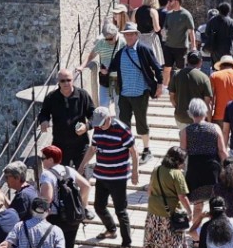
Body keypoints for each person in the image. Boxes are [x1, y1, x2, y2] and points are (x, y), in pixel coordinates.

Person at [39, 145, 91, 248]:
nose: (42, 162)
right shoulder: (69, 170)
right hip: (72, 219)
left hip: (55, 219)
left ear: (50, 159)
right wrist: (80, 206)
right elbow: (86, 186)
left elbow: (46, 199)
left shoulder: (47, 175)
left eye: (43, 158)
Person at [108, 26, 164, 162]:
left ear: (136, 35)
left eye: (131, 34)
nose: (129, 37)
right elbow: (112, 67)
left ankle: (146, 150)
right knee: (124, 123)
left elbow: (157, 68)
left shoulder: (144, 50)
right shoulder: (121, 52)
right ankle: (128, 149)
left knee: (141, 123)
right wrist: (105, 70)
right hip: (124, 94)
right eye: (127, 35)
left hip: (140, 93)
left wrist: (160, 85)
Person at [89, 106, 139, 248]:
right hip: (101, 175)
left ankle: (127, 244)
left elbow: (134, 151)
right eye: (98, 124)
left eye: (103, 123)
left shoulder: (122, 130)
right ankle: (111, 229)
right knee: (99, 206)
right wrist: (81, 166)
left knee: (121, 211)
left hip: (118, 177)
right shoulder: (98, 128)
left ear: (109, 118)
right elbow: (92, 149)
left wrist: (135, 172)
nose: (100, 127)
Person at [145, 146, 193, 248]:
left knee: (157, 244)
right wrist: (190, 212)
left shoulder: (157, 169)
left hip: (153, 213)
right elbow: (182, 197)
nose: (183, 164)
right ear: (178, 161)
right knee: (173, 245)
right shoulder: (177, 174)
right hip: (171, 215)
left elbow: (149, 190)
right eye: (182, 161)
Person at [39, 70, 96, 169]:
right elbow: (44, 113)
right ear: (58, 82)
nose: (66, 83)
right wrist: (44, 121)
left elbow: (94, 116)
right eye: (62, 81)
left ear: (72, 80)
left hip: (80, 144)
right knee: (61, 178)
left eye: (68, 80)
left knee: (82, 175)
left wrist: (86, 127)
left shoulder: (82, 95)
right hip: (60, 144)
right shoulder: (51, 97)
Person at [181, 99, 228, 205]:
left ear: (190, 113)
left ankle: (196, 221)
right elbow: (222, 151)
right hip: (213, 170)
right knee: (216, 202)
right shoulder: (215, 128)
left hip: (195, 171)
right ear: (205, 111)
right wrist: (228, 167)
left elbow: (182, 154)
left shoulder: (185, 131)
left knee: (197, 204)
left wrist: (181, 173)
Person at [160, 0, 197, 84]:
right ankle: (165, 87)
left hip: (181, 47)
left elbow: (191, 31)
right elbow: (165, 28)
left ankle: (181, 87)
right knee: (167, 67)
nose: (168, 2)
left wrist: (194, 46)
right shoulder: (169, 14)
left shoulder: (186, 14)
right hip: (168, 46)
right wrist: (163, 32)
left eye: (170, 0)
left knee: (181, 69)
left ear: (176, 1)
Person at [170, 50, 215, 126]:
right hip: (197, 118)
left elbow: (172, 98)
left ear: (187, 61)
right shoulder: (204, 78)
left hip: (180, 117)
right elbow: (207, 104)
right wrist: (209, 122)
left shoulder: (176, 75)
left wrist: (178, 108)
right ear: (200, 61)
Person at [92, 21, 124, 109]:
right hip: (105, 78)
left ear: (115, 35)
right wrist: (82, 66)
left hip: (118, 78)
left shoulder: (122, 43)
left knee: (118, 105)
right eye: (106, 39)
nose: (108, 41)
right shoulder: (101, 42)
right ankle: (105, 122)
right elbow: (91, 55)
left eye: (110, 39)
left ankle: (116, 122)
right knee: (103, 105)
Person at [134, 0, 165, 70]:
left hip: (139, 38)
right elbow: (156, 28)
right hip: (150, 38)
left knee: (140, 63)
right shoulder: (153, 11)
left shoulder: (136, 10)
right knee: (153, 62)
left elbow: (133, 25)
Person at [203, 2, 233, 71]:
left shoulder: (212, 20)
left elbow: (207, 33)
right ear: (229, 11)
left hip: (214, 49)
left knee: (216, 69)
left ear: (219, 10)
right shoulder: (231, 21)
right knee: (227, 69)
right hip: (227, 50)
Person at [211, 55, 233, 123]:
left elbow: (211, 100)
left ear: (220, 66)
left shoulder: (214, 76)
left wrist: (209, 120)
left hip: (219, 116)